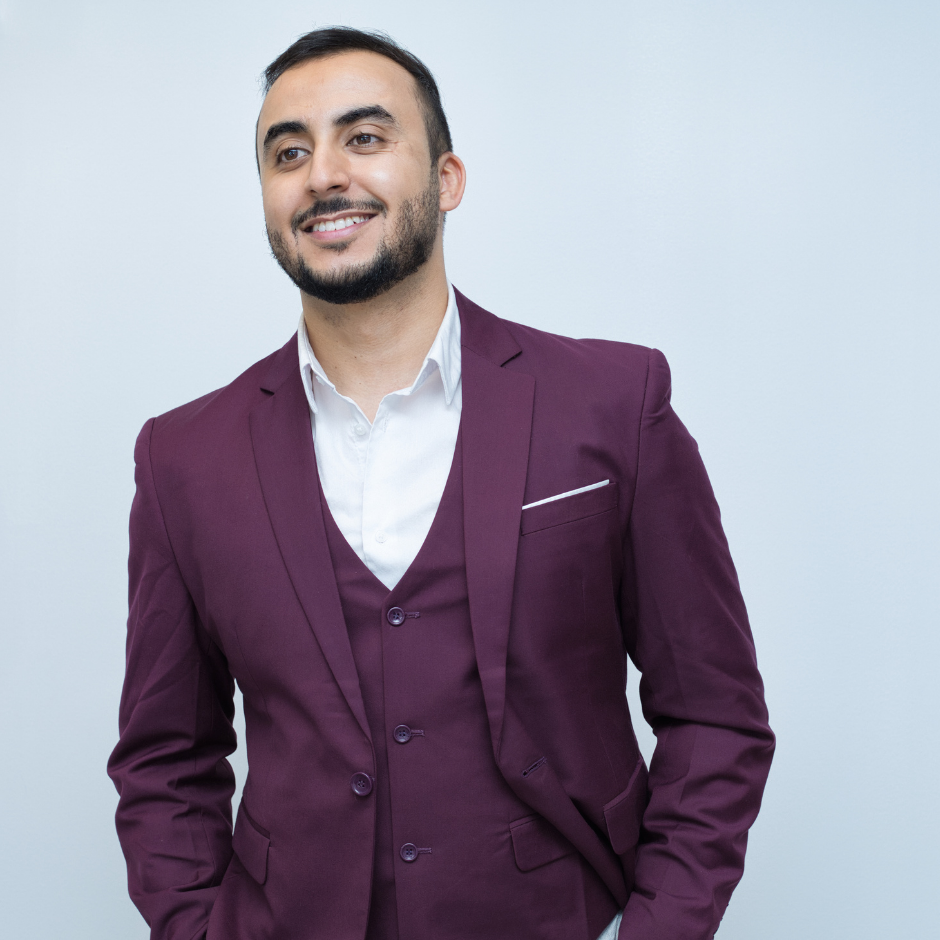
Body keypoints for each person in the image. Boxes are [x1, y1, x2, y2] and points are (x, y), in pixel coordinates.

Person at [108, 26, 774, 940]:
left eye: (366, 138)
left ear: (448, 180)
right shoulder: (182, 457)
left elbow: (716, 715)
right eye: (288, 152)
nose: (324, 174)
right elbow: (163, 759)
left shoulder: (615, 405)